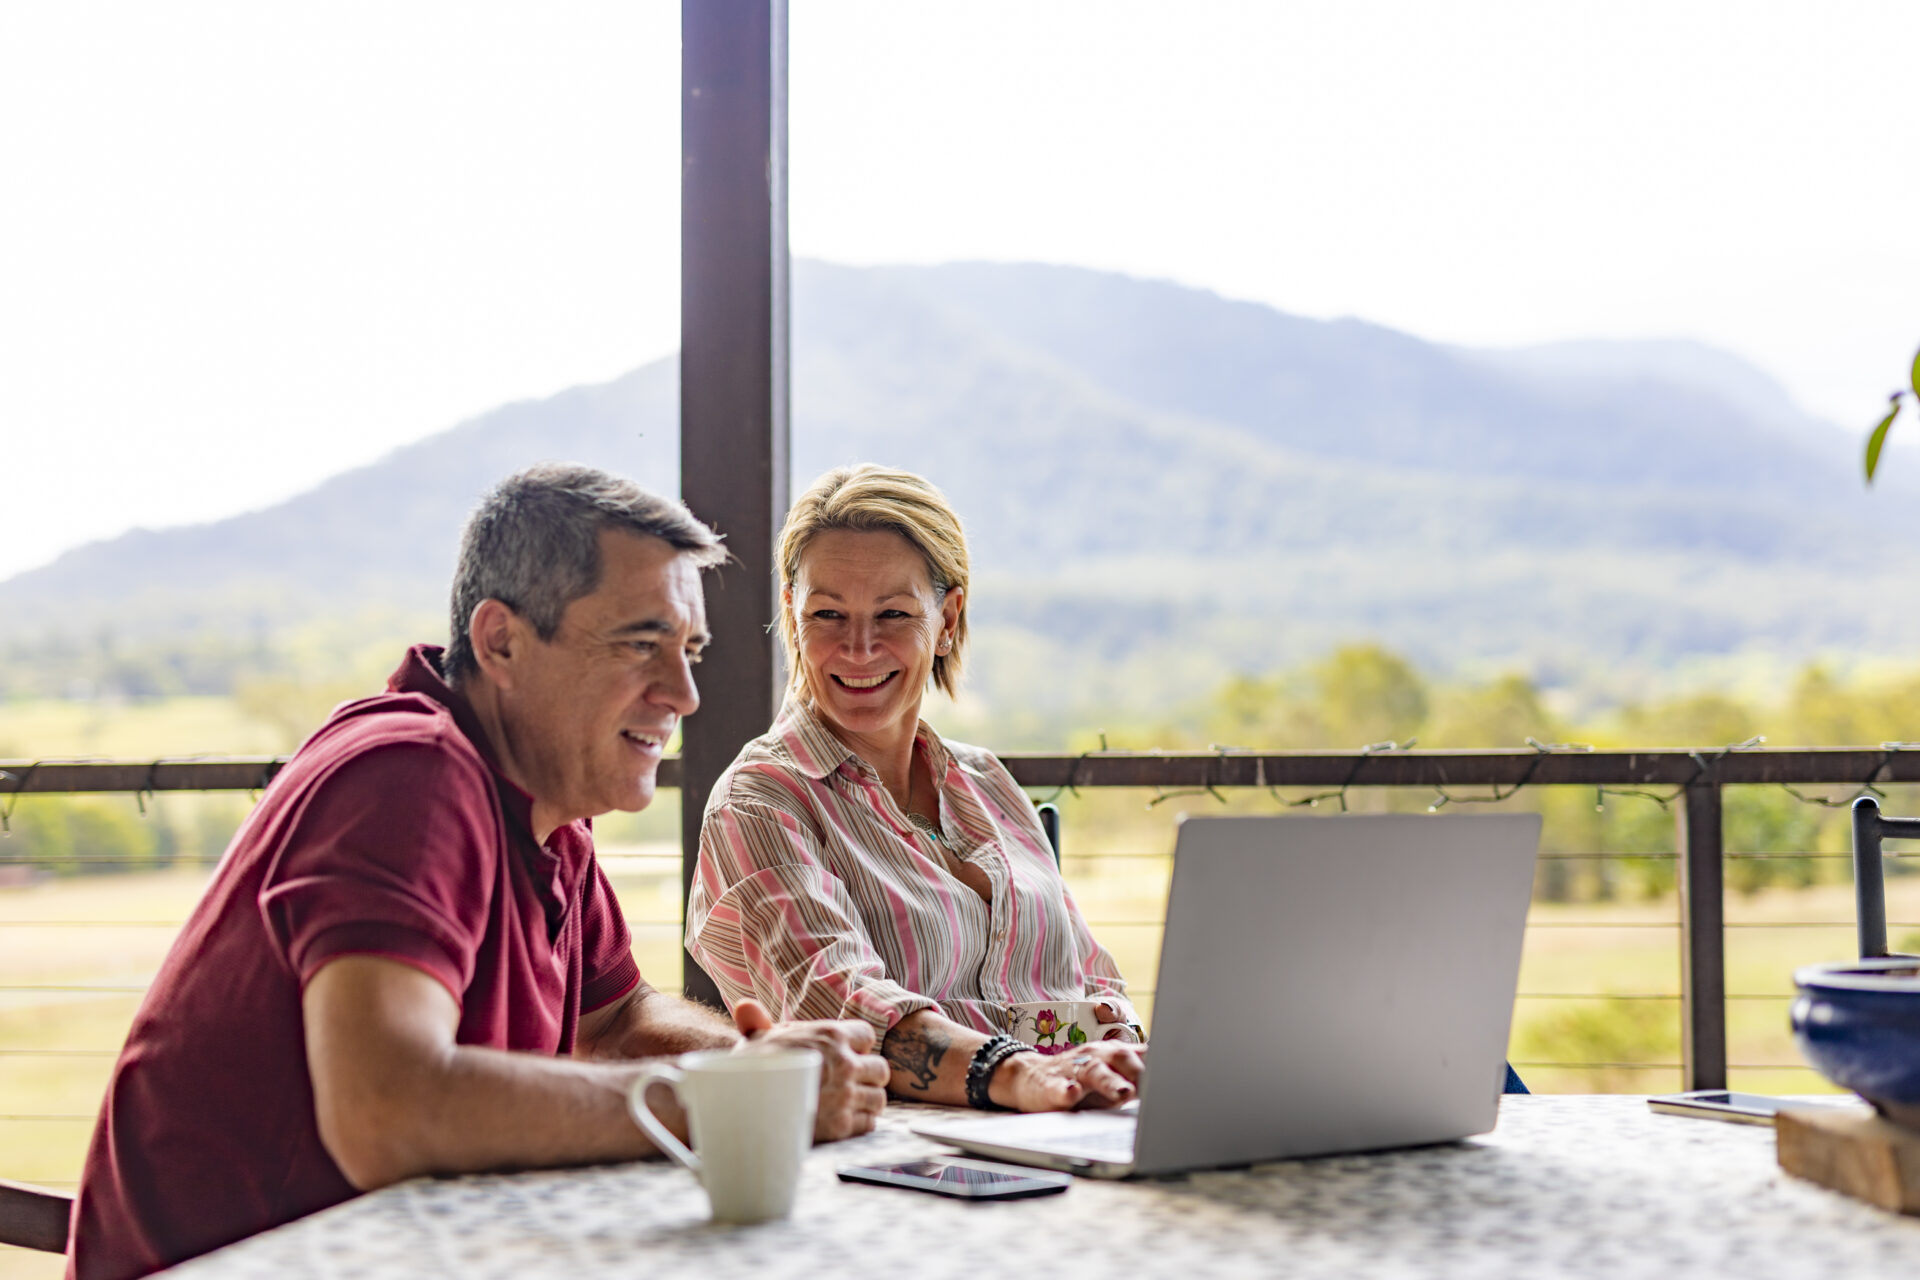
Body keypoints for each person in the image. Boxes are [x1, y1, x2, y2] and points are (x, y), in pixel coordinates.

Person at [68, 465, 890, 1280]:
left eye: (691, 651)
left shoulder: (545, 803)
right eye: (642, 643)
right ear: (501, 641)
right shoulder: (410, 774)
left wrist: (774, 1068)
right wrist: (720, 1099)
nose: (683, 694)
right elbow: (387, 1111)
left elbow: (617, 1021)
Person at [687, 464, 1145, 1114]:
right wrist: (1023, 1076)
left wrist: (1127, 1059)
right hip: (894, 1163)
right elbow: (845, 1010)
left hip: (1074, 1123)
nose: (859, 646)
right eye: (827, 614)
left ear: (948, 618)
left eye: (893, 613)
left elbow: (1094, 979)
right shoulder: (761, 800)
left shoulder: (988, 782)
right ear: (793, 617)